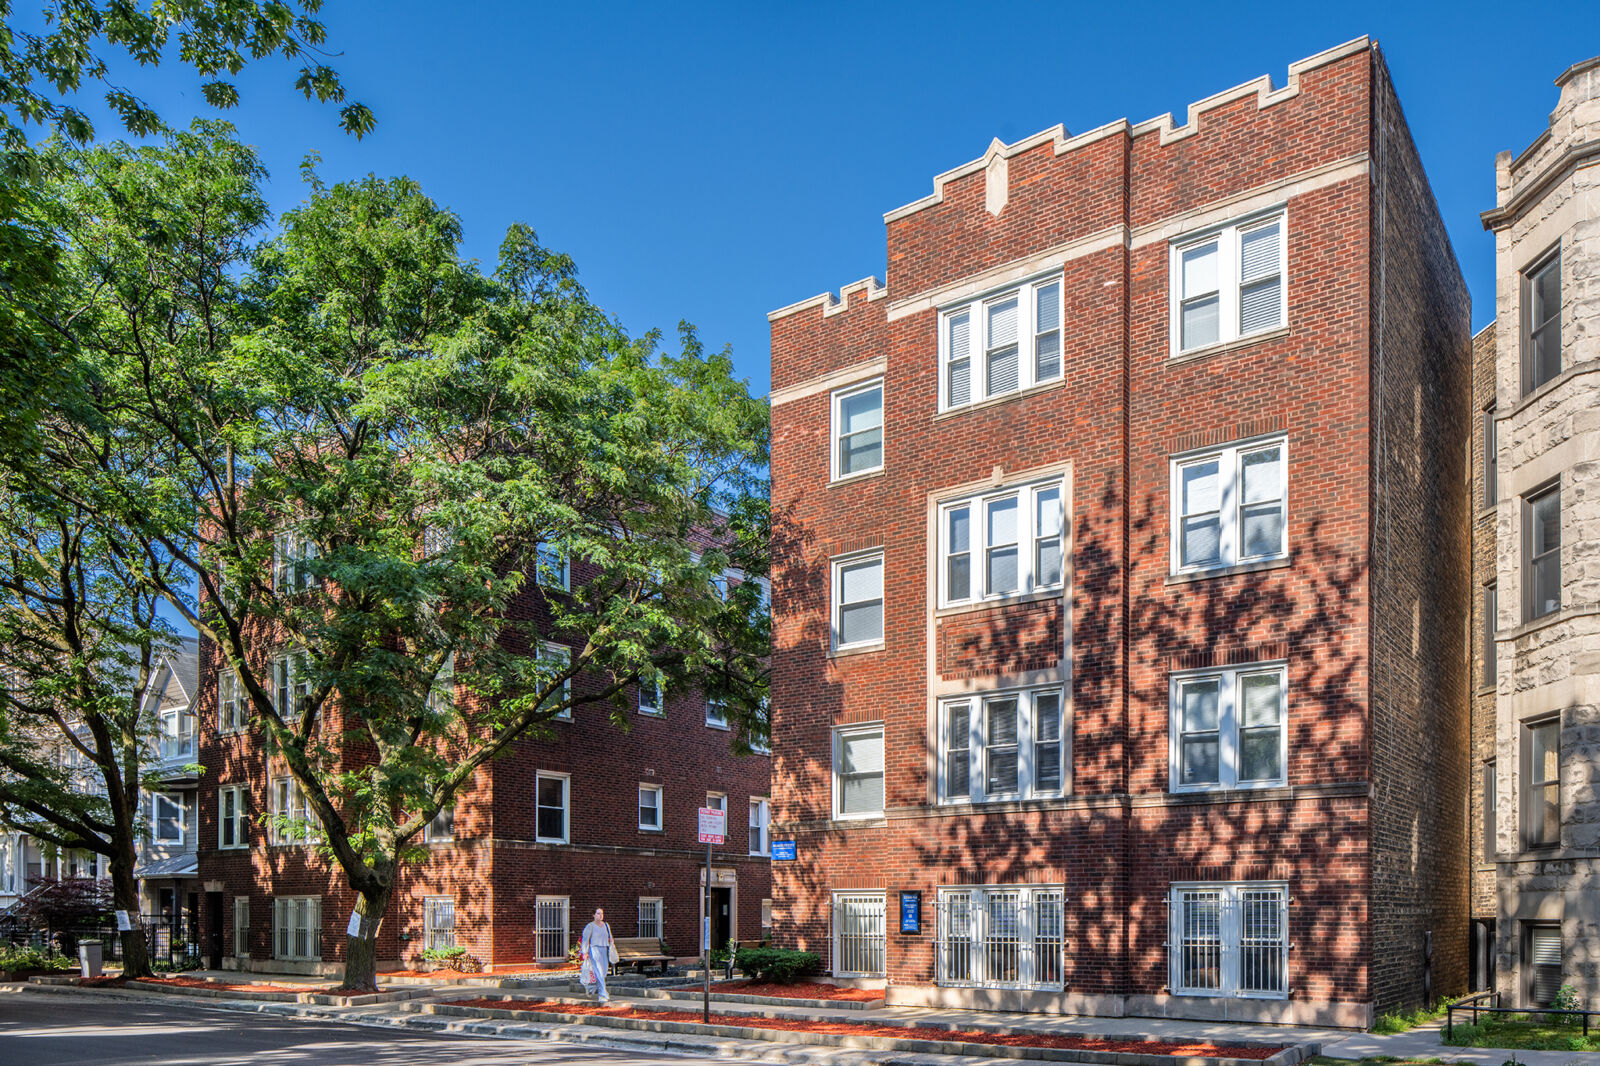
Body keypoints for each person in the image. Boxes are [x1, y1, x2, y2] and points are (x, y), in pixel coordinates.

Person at [579, 906, 616, 1003]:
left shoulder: (606, 925)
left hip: (604, 949)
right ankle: (602, 994)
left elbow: (610, 937)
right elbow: (585, 940)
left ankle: (591, 988)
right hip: (594, 950)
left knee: (603, 972)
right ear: (594, 915)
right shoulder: (590, 926)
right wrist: (585, 952)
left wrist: (610, 942)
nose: (600, 915)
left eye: (602, 913)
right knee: (599, 972)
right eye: (598, 913)